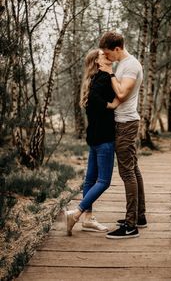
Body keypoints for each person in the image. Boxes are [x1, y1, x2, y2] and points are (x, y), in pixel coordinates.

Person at [66, 49, 119, 236]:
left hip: (94, 137)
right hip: (104, 137)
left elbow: (93, 99)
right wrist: (111, 105)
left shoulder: (92, 79)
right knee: (104, 181)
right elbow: (102, 98)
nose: (108, 57)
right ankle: (77, 212)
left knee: (90, 179)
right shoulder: (104, 77)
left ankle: (88, 219)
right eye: (103, 56)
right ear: (97, 61)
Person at [99, 31, 147, 239]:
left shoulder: (131, 65)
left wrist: (109, 72)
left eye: (108, 53)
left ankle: (130, 225)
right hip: (124, 121)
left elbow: (122, 93)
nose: (107, 57)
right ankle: (140, 216)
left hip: (127, 123)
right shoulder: (123, 64)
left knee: (127, 172)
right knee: (133, 169)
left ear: (117, 49)